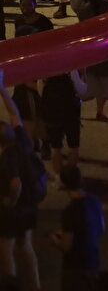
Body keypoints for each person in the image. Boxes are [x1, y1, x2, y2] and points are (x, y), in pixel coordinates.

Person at [0, 71, 43, 291]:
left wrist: (9, 201)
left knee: (5, 248)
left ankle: (10, 284)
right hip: (29, 205)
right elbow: (15, 114)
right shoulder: (23, 142)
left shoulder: (7, 158)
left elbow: (15, 183)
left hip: (14, 209)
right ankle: (35, 285)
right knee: (25, 245)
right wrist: (2, 88)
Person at [51, 164, 105, 291]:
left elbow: (66, 246)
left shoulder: (69, 212)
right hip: (93, 260)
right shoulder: (95, 200)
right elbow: (101, 228)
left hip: (75, 267)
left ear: (64, 185)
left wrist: (54, 240)